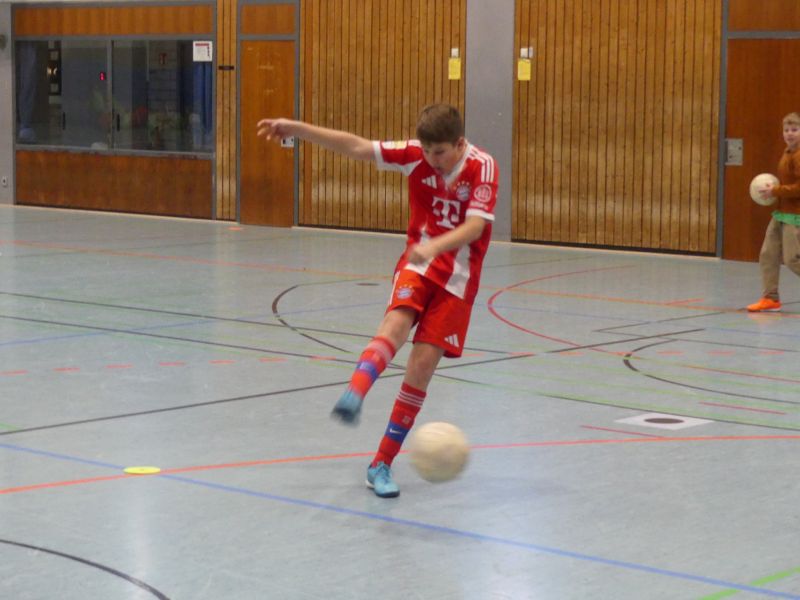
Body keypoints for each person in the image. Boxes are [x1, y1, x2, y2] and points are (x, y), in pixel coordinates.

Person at [257, 104, 498, 498]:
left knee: (420, 368)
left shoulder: (482, 167)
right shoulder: (415, 155)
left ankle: (381, 464)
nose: (432, 160)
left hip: (458, 281)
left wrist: (435, 245)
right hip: (419, 266)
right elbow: (356, 147)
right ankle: (354, 392)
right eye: (426, 151)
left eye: (439, 152)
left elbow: (474, 227)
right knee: (396, 325)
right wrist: (296, 128)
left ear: (459, 144)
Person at [748, 112, 800, 312]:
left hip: (795, 215)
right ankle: (770, 298)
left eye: (794, 129)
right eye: (786, 130)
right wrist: (774, 191)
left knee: (792, 259)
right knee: (768, 254)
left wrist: (775, 191)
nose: (790, 133)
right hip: (781, 212)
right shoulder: (787, 152)